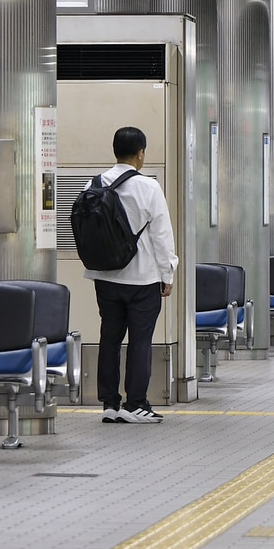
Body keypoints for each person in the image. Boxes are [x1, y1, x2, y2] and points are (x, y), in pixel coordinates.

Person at [85, 126, 179, 423]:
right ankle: (136, 403)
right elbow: (162, 235)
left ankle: (110, 403)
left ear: (115, 151)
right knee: (140, 340)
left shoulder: (95, 183)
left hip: (105, 276)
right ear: (140, 154)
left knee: (109, 338)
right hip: (142, 278)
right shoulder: (148, 187)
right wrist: (169, 273)